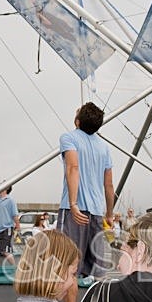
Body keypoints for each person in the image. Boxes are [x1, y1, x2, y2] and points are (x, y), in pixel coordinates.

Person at [57, 102, 114, 277]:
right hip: (96, 213)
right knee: (99, 270)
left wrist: (73, 203)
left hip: (74, 212)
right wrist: (110, 215)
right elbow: (109, 185)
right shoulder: (104, 147)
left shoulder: (69, 138)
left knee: (67, 268)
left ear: (77, 121)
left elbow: (73, 168)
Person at [0, 185, 20, 266]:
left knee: (5, 252)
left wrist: (18, 226)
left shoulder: (10, 200)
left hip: (7, 228)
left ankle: (15, 270)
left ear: (7, 188)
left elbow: (15, 215)